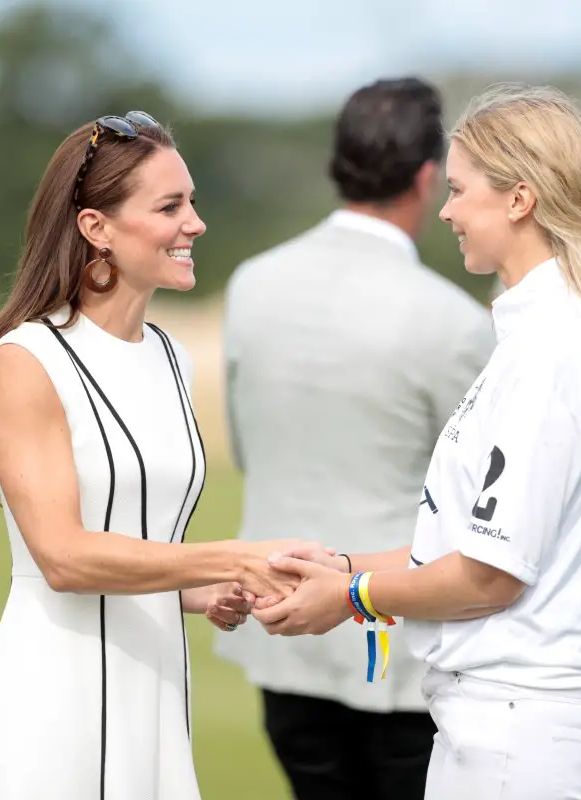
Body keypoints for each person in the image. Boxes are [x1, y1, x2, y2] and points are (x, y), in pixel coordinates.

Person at [252, 82, 581, 800]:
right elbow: (466, 547)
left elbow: (490, 577)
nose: (446, 210)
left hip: (518, 725)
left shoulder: (550, 349)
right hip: (500, 722)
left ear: (520, 199)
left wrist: (351, 595)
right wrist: (339, 563)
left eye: (462, 190)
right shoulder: (533, 335)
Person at [0, 111, 314, 800]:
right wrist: (231, 556)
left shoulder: (167, 356)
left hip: (157, 692)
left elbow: (139, 535)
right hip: (53, 705)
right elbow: (65, 557)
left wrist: (204, 592)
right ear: (96, 228)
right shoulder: (27, 360)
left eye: (192, 201)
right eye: (171, 206)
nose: (195, 223)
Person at [215, 78, 495, 800]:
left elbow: (246, 447)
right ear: (430, 176)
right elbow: (473, 501)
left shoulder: (252, 283)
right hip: (399, 647)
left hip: (278, 630)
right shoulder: (452, 319)